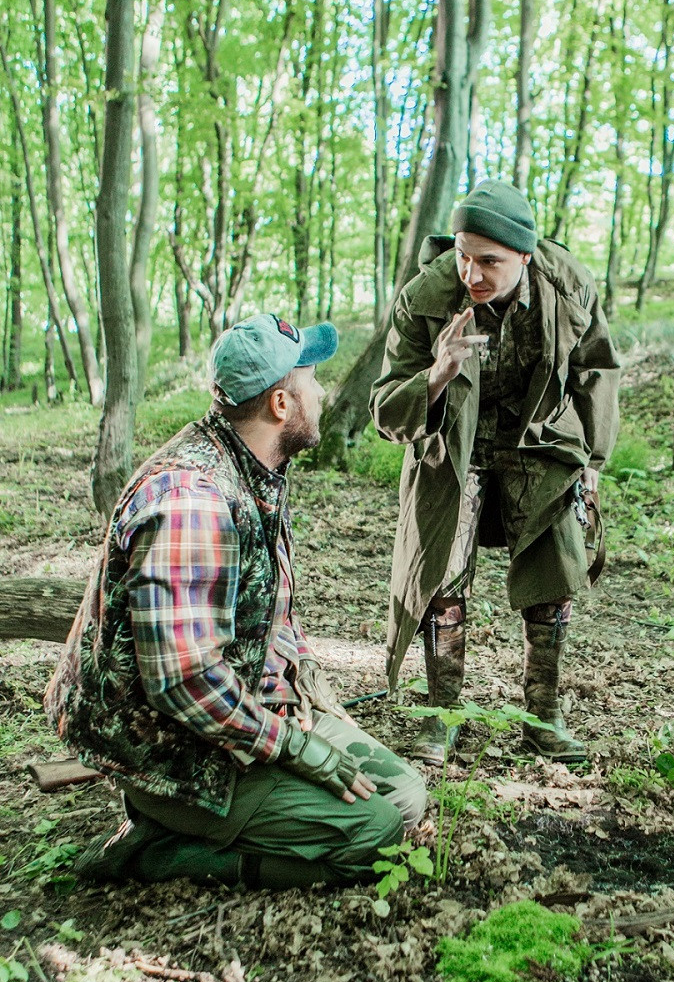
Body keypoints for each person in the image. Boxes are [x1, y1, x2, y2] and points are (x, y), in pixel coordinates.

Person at [45, 313, 426, 888]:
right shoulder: (192, 503)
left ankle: (196, 825)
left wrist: (308, 706)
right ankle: (160, 849)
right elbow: (183, 681)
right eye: (311, 379)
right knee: (375, 833)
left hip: (230, 719)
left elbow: (268, 622)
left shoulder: (254, 466)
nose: (321, 390)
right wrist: (298, 748)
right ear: (280, 404)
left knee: (406, 797)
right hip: (170, 752)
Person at [370, 180, 621, 765]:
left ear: (526, 258)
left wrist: (592, 461)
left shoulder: (569, 286)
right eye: (462, 254)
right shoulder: (425, 298)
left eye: (490, 260)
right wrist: (437, 372)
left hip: (540, 443)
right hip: (450, 450)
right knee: (442, 578)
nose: (471, 272)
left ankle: (544, 719)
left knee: (553, 579)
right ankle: (443, 717)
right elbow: (386, 408)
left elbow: (597, 371)